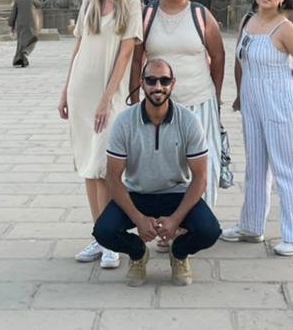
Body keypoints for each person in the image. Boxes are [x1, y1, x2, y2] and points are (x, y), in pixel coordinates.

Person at [94, 57, 222, 287]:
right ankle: (137, 254)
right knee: (103, 231)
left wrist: (176, 220)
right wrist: (138, 219)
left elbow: (200, 178)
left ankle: (180, 254)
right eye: (151, 80)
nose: (158, 87)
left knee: (209, 231)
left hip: (176, 194)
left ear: (173, 83)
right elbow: (113, 178)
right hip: (137, 194)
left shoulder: (189, 121)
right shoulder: (124, 122)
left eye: (164, 81)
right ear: (141, 83)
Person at [58, 0, 142, 271]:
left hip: (110, 94)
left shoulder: (131, 4)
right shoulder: (89, 3)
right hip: (82, 90)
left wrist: (108, 98)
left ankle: (112, 237)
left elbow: (125, 54)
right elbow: (77, 48)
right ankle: (99, 235)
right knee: (88, 166)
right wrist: (65, 90)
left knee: (107, 167)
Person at [223, 0, 293, 256]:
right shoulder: (247, 21)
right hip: (252, 104)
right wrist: (240, 94)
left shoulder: (285, 28)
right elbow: (240, 61)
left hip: (282, 104)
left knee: (289, 168)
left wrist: (284, 78)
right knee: (256, 166)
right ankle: (251, 225)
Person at [128, 0, 226, 219]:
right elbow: (137, 59)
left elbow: (218, 56)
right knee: (169, 167)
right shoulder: (147, 15)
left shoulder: (200, 14)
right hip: (160, 105)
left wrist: (216, 94)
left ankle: (194, 224)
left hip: (199, 99)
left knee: (205, 164)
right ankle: (168, 222)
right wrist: (134, 95)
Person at [8, 0, 42, 67]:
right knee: (33, 39)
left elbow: (13, 14)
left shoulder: (18, 0)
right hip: (31, 24)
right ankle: (25, 52)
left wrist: (12, 26)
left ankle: (18, 60)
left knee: (21, 42)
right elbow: (39, 5)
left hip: (20, 24)